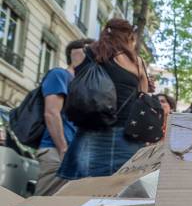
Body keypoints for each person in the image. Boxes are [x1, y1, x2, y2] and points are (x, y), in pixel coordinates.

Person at [58, 18, 150, 180]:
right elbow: (143, 95)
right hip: (126, 138)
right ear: (129, 37)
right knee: (120, 194)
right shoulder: (138, 62)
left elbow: (75, 82)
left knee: (79, 195)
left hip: (90, 134)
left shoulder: (85, 53)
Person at [35, 38, 94, 195]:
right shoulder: (59, 74)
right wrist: (63, 150)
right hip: (57, 152)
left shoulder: (81, 84)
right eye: (90, 52)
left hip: (72, 156)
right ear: (77, 54)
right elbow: (51, 113)